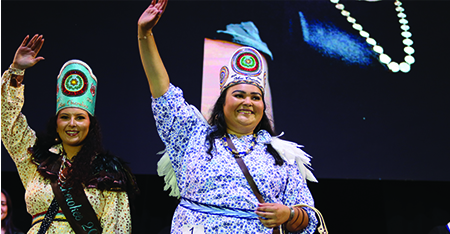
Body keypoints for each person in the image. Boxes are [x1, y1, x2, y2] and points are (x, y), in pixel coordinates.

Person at [137, 0, 320, 233]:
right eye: (239, 95)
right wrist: (145, 33)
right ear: (223, 102)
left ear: (264, 105)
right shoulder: (192, 136)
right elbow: (162, 90)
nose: (247, 102)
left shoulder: (282, 156)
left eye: (255, 97)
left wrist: (289, 214)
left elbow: (309, 220)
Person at [1, 34, 138, 233]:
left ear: (91, 125)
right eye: (65, 117)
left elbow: (117, 228)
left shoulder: (108, 172)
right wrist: (16, 71)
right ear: (55, 124)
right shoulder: (37, 160)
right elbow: (7, 124)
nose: (72, 124)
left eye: (80, 118)